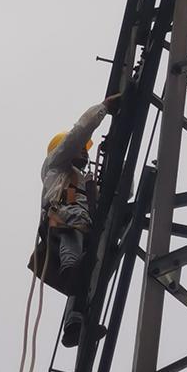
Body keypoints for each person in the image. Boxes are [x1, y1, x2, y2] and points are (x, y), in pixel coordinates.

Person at [39, 93, 122, 346]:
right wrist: (103, 109)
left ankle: (76, 323)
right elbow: (76, 135)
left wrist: (116, 161)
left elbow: (120, 194)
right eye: (82, 150)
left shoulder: (87, 182)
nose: (85, 154)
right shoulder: (57, 164)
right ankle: (70, 266)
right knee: (74, 227)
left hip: (86, 225)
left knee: (97, 263)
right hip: (63, 218)